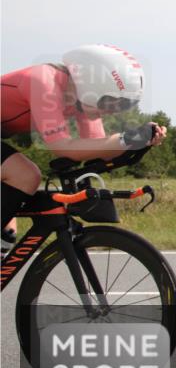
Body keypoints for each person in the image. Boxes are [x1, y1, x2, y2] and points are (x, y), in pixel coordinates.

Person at [2, 44, 167, 252]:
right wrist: (124, 140)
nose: (112, 111)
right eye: (111, 102)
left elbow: (97, 148)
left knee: (6, 235)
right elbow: (62, 148)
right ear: (92, 85)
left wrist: (140, 141)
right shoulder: (44, 81)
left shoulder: (80, 98)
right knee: (25, 174)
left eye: (121, 105)